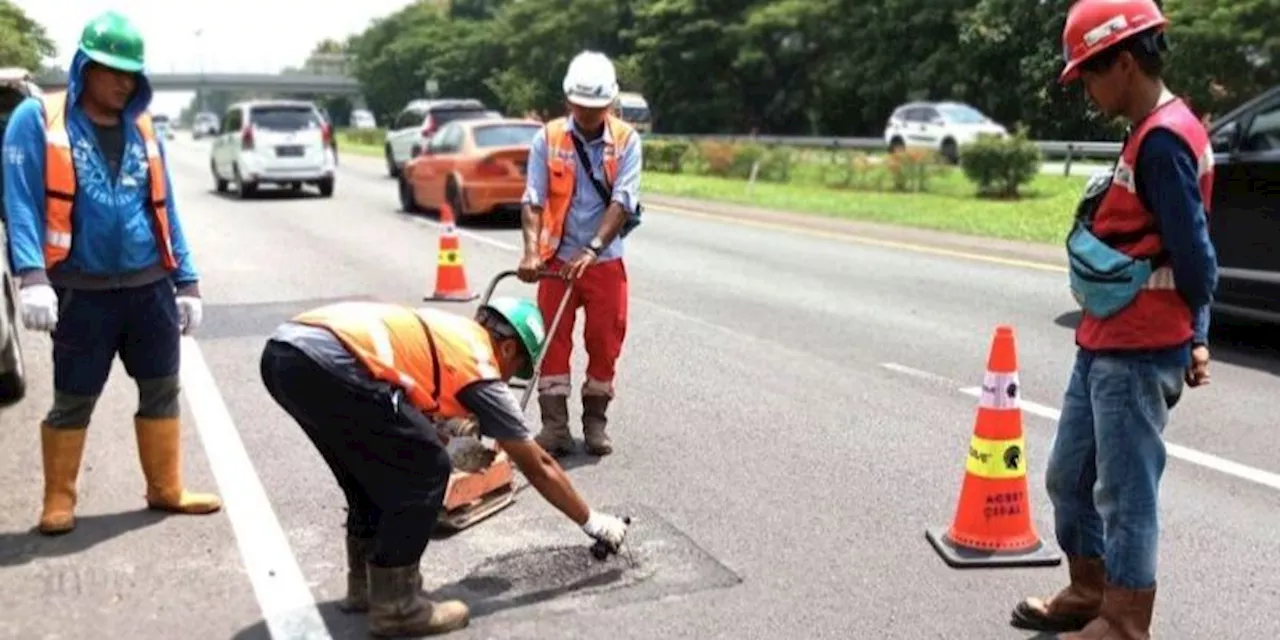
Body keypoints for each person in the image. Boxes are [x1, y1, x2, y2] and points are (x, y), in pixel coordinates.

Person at [1011, 1, 1218, 638]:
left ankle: (1125, 623)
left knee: (1126, 498)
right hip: (1104, 341)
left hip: (1137, 349)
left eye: (1091, 76)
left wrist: (1195, 334)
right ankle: (1088, 588)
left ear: (1123, 63)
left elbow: (1198, 258)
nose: (1088, 91)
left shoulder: (1161, 141)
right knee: (1068, 475)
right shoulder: (1148, 130)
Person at [259, 296, 631, 637]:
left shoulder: (453, 333)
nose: (507, 379)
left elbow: (399, 396)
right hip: (328, 364)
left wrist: (436, 431)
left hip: (285, 355)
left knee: (368, 472)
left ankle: (367, 588)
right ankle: (397, 608)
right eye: (515, 367)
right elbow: (540, 466)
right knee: (426, 471)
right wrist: (594, 522)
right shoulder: (481, 364)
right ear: (507, 347)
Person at [2, 10, 219, 536]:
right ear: (84, 66)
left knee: (162, 387)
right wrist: (31, 275)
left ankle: (165, 486)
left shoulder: (143, 125)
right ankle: (59, 497)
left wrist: (186, 282)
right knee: (74, 397)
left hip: (149, 288)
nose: (125, 82)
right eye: (112, 70)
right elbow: (21, 202)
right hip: (82, 291)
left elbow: (165, 207)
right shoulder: (38, 120)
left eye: (132, 74)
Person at [516, 50, 643, 458]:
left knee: (605, 341)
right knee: (551, 343)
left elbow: (622, 200)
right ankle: (554, 427)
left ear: (610, 103)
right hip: (555, 259)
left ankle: (595, 422)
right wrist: (532, 253)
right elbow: (533, 198)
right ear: (569, 101)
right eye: (581, 107)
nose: (588, 115)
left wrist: (592, 248)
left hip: (604, 260)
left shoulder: (625, 140)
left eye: (597, 107)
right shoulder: (548, 137)